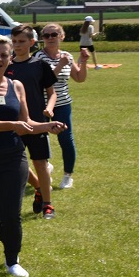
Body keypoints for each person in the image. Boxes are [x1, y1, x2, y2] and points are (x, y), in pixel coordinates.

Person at [0, 35, 65, 277]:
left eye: (4, 55)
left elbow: (26, 122)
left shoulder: (16, 86)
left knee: (11, 214)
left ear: (11, 59)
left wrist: (47, 126)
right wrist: (12, 124)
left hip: (13, 156)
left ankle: (12, 259)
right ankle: (11, 242)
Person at [6, 24, 58, 219]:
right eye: (14, 41)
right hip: (14, 124)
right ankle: (38, 187)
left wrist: (49, 109)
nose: (17, 45)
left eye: (21, 41)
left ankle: (48, 204)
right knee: (15, 162)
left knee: (40, 163)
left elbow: (51, 93)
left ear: (32, 42)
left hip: (37, 122)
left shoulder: (39, 65)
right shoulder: (6, 66)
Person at [33, 23, 89, 189]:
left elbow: (79, 78)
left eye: (54, 34)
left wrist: (84, 62)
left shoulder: (67, 56)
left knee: (66, 138)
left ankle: (67, 175)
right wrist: (59, 65)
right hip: (41, 104)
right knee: (41, 139)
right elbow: (41, 83)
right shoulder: (38, 57)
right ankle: (46, 166)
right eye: (46, 35)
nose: (50, 38)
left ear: (61, 37)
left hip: (63, 103)